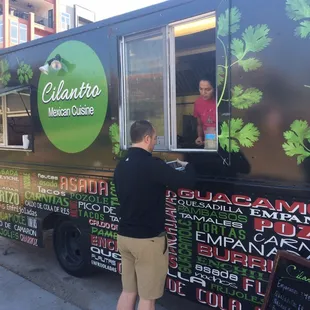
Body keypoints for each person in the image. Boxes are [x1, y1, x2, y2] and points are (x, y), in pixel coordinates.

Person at [114, 120, 196, 310]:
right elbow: (187, 181)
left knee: (128, 292)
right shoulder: (153, 165)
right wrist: (189, 163)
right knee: (148, 298)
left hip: (124, 237)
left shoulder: (121, 165)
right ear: (146, 138)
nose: (155, 143)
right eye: (155, 138)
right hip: (148, 242)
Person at [193, 79, 216, 146]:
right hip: (208, 140)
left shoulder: (219, 101)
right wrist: (200, 137)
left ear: (214, 89)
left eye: (207, 89)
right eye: (201, 89)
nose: (203, 93)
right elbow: (199, 124)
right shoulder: (197, 103)